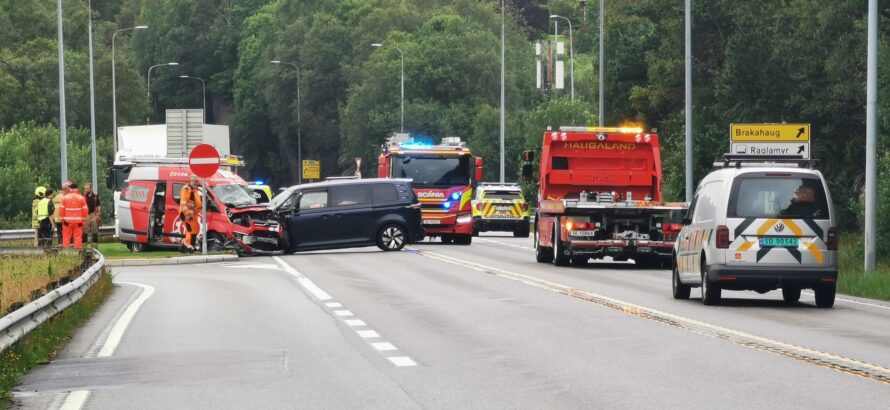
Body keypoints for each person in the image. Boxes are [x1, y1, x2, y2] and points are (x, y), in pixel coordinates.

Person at [59, 181, 89, 250]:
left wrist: (62, 219)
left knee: (66, 236)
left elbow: (61, 210)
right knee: (78, 236)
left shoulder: (64, 198)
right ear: (77, 189)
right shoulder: (81, 198)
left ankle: (66, 251)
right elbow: (85, 210)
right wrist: (84, 219)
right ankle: (78, 251)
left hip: (67, 221)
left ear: (70, 188)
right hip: (78, 221)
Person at [179, 176, 203, 251]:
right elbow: (185, 202)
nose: (197, 183)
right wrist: (188, 214)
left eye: (197, 182)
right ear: (191, 181)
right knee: (190, 230)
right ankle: (187, 246)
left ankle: (191, 245)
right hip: (188, 214)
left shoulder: (194, 190)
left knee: (195, 229)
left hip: (193, 214)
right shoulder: (187, 189)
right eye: (195, 182)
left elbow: (196, 202)